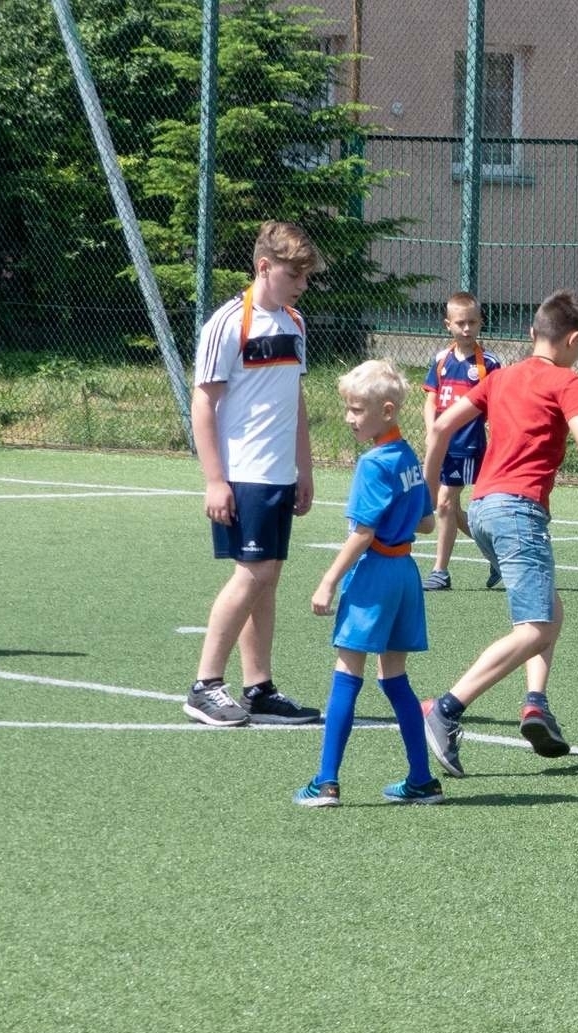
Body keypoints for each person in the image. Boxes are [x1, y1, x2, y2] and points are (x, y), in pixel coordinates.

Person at [421, 290, 578, 777]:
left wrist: (427, 494)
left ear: (534, 330)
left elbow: (441, 428)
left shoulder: (500, 377)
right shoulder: (566, 379)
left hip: (486, 507)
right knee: (536, 628)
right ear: (573, 339)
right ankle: (447, 708)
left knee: (550, 610)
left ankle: (536, 703)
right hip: (519, 512)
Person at [184, 221, 324, 727]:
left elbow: (296, 400)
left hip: (278, 475)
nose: (301, 285)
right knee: (253, 575)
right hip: (242, 473)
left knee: (267, 580)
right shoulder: (227, 324)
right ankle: (205, 685)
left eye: (305, 277)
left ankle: (259, 688)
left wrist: (303, 468)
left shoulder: (293, 322)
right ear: (264, 267)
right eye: (294, 275)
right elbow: (203, 403)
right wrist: (214, 479)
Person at [294, 361, 441, 808]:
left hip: (376, 575)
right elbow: (428, 523)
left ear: (388, 410)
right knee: (395, 677)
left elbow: (362, 533)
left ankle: (327, 782)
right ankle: (421, 779)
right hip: (405, 575)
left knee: (347, 672)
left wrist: (328, 581)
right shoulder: (409, 457)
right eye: (348, 408)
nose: (349, 418)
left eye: (357, 409)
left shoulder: (373, 464)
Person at [420, 291, 502, 592]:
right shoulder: (440, 360)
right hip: (442, 447)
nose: (466, 329)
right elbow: (430, 400)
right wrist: (433, 432)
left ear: (481, 323)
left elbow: (497, 405)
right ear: (448, 325)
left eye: (472, 322)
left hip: (467, 446)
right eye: (460, 323)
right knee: (450, 509)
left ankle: (440, 571)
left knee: (443, 503)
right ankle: (497, 557)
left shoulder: (488, 364)